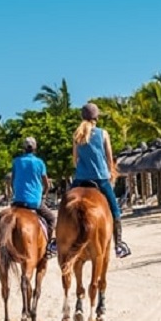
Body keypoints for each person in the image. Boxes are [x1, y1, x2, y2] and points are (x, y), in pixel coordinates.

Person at [64, 102, 131, 259]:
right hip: (100, 179)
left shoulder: (77, 134)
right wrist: (109, 171)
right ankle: (119, 245)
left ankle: (56, 240)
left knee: (64, 206)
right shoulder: (103, 133)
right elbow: (109, 157)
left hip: (80, 179)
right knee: (115, 210)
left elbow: (75, 160)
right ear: (96, 118)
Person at [10, 136, 57, 258]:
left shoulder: (16, 162)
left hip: (18, 201)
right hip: (34, 202)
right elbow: (46, 184)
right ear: (35, 148)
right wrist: (43, 195)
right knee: (52, 219)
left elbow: (12, 181)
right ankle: (48, 248)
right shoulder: (40, 163)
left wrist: (16, 192)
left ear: (23, 148)